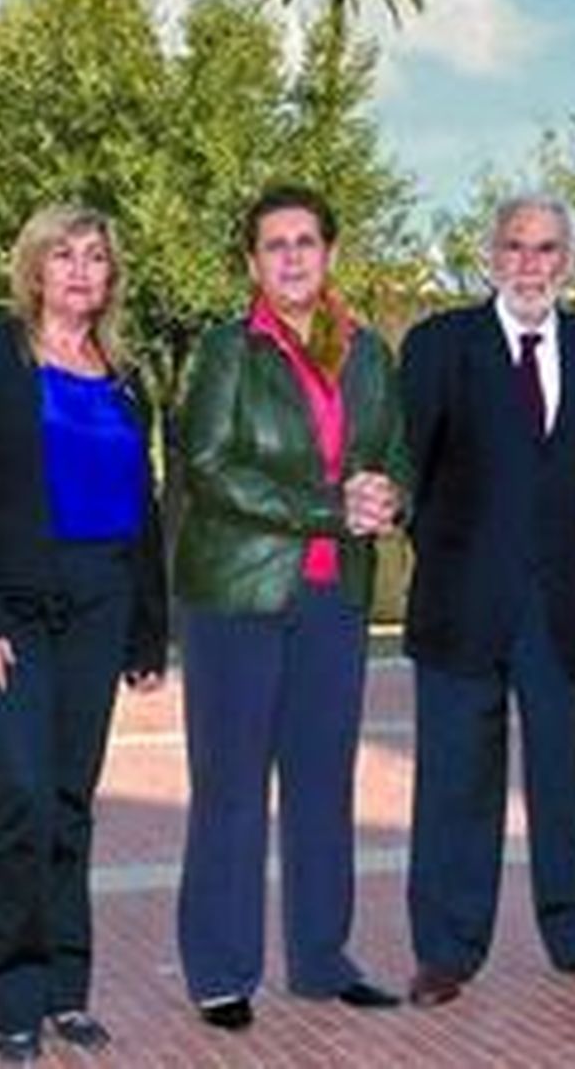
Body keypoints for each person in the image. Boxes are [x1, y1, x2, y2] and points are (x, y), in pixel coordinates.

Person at [400, 193, 575, 1009]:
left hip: (566, 610)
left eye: (547, 249)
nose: (530, 264)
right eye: (515, 247)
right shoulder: (439, 345)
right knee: (453, 786)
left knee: (572, 784)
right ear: (490, 255)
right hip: (461, 606)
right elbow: (414, 472)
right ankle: (446, 950)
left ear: (568, 260)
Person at [0, 204, 168, 1063]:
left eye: (95, 257)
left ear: (111, 277)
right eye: (62, 254)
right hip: (12, 612)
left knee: (71, 801)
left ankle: (68, 992)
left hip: (101, 606)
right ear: (35, 267)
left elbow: (143, 512)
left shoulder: (126, 373)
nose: (78, 270)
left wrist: (148, 629)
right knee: (23, 794)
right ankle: (15, 1001)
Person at [174, 184, 409, 1031]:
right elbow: (207, 465)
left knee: (321, 784)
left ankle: (320, 959)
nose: (293, 256)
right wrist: (326, 509)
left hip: (332, 600)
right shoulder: (228, 350)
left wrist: (390, 493)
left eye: (306, 240)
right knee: (231, 786)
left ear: (331, 251)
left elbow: (391, 450)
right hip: (238, 597)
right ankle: (221, 970)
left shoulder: (371, 354)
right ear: (252, 262)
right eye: (275, 245)